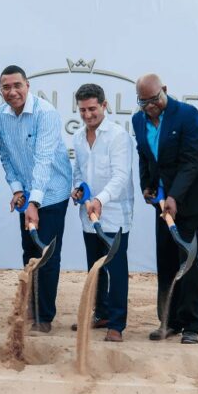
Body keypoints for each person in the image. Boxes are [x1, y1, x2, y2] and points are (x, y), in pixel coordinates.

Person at [132, 74, 198, 344]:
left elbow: (190, 161)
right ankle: (169, 321)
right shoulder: (138, 120)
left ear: (165, 90)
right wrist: (147, 185)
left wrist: (174, 197)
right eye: (143, 102)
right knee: (166, 259)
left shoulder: (189, 116)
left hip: (191, 201)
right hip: (163, 202)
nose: (150, 106)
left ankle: (192, 325)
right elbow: (144, 155)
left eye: (154, 99)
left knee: (187, 260)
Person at [0, 65, 73, 333]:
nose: (12, 91)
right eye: (6, 87)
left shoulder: (46, 113)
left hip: (51, 193)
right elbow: (5, 155)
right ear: (1, 90)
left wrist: (34, 203)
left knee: (46, 254)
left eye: (17, 85)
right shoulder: (1, 115)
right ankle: (32, 306)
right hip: (27, 194)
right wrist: (18, 190)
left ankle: (44, 317)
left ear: (27, 85)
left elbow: (43, 160)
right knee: (29, 252)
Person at [70, 84, 134, 342]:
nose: (87, 115)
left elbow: (121, 176)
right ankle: (102, 314)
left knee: (116, 270)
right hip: (88, 215)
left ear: (104, 105)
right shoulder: (78, 137)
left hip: (115, 215)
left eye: (92, 109)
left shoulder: (118, 136)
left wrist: (100, 199)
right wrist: (78, 191)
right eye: (82, 110)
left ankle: (116, 325)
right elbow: (78, 172)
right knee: (94, 269)